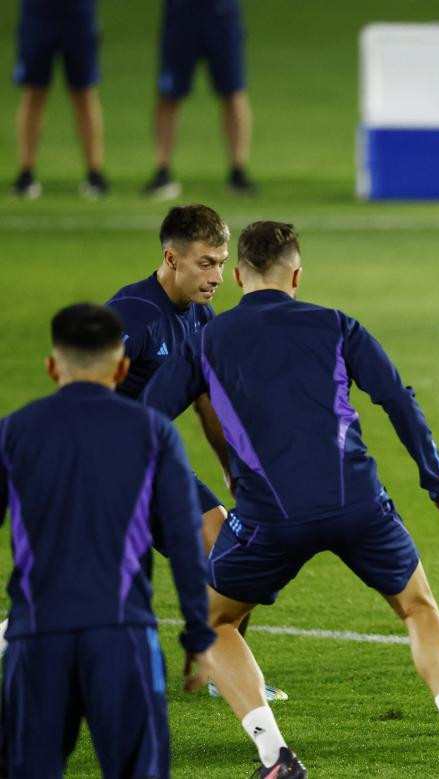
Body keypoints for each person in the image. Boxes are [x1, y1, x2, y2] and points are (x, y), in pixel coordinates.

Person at [142, 221, 439, 779]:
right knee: (417, 608)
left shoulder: (207, 340)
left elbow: (145, 419)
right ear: (297, 274)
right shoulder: (337, 324)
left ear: (238, 275)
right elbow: (397, 400)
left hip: (270, 516)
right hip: (359, 503)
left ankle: (276, 758)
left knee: (213, 622)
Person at [0, 303, 214, 778]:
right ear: (121, 367)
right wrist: (199, 634)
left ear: (53, 366)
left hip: (36, 638)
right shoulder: (153, 432)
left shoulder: (14, 432)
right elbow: (183, 538)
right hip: (121, 636)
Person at [100, 203, 286, 703]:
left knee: (234, 558)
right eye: (206, 263)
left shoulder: (202, 318)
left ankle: (225, 674)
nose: (218, 276)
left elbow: (208, 401)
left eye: (223, 263)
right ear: (171, 258)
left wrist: (234, 471)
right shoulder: (132, 314)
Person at [143, 0, 256, 199]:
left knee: (233, 90)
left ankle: (238, 171)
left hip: (222, 11)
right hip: (181, 12)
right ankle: (162, 170)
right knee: (169, 93)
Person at [10, 0, 108, 199]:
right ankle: (26, 172)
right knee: (34, 91)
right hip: (38, 12)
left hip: (78, 12)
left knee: (84, 91)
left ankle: (95, 173)